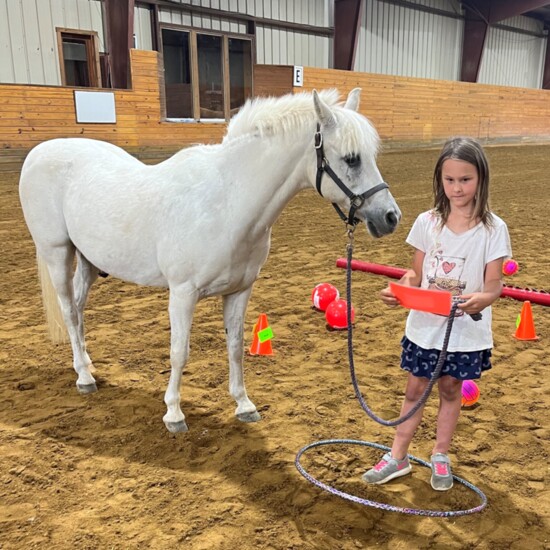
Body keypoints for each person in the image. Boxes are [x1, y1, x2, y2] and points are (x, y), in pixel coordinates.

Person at [363, 137, 512, 491]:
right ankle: (397, 456)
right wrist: (401, 287)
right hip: (426, 327)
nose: (457, 188)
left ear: (481, 179)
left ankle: (440, 455)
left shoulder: (494, 229)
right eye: (450, 180)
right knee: (414, 389)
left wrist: (482, 298)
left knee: (449, 390)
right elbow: (415, 272)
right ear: (439, 180)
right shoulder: (427, 223)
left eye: (466, 179)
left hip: (464, 333)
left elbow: (494, 286)